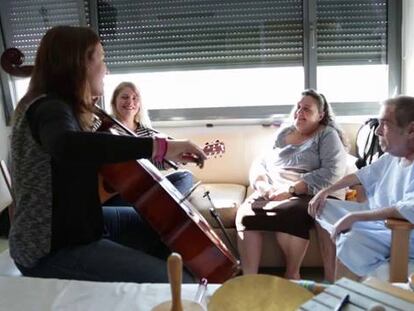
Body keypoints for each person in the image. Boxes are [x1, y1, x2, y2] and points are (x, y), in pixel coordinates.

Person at [9, 25, 207, 283]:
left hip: (83, 224)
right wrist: (160, 146)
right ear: (79, 65)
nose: (106, 70)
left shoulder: (61, 107)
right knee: (181, 283)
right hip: (52, 248)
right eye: (101, 59)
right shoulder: (50, 108)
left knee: (164, 226)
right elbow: (68, 145)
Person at [236, 89, 347, 280]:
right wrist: (262, 184)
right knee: (246, 215)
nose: (299, 112)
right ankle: (249, 279)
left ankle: (292, 273)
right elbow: (261, 161)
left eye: (306, 109)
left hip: (305, 191)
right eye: (297, 107)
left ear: (320, 115)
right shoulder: (285, 132)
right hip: (272, 187)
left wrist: (291, 189)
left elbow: (332, 172)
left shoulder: (327, 135)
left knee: (291, 212)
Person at [308, 95, 414, 281]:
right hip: (379, 224)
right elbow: (362, 175)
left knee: (350, 241)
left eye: (385, 124)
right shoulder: (393, 157)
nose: (378, 131)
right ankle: (349, 285)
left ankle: (355, 290)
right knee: (322, 207)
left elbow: (407, 209)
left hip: (403, 233)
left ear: (411, 130)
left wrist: (355, 217)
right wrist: (325, 192)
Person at [108, 81, 194, 197]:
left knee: (185, 177)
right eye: (124, 97)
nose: (130, 102)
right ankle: (157, 205)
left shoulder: (148, 132)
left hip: (144, 188)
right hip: (120, 191)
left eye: (135, 98)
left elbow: (154, 163)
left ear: (140, 104)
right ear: (114, 101)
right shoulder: (107, 129)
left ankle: (155, 204)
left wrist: (175, 160)